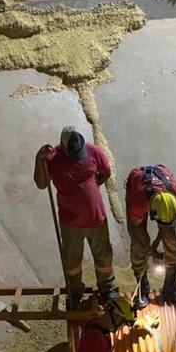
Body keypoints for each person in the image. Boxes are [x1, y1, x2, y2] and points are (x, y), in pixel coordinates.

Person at [34, 126, 117, 307]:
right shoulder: (53, 158)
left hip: (96, 219)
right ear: (63, 147)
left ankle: (107, 288)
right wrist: (39, 161)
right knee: (72, 262)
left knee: (103, 257)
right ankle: (75, 291)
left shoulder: (93, 152)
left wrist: (92, 188)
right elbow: (41, 184)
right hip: (70, 223)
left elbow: (106, 172)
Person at [125, 164, 176, 307]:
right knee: (139, 244)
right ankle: (142, 286)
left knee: (171, 239)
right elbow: (141, 237)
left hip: (165, 199)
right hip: (138, 188)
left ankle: (170, 284)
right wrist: (151, 250)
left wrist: (157, 245)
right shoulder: (138, 204)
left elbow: (166, 227)